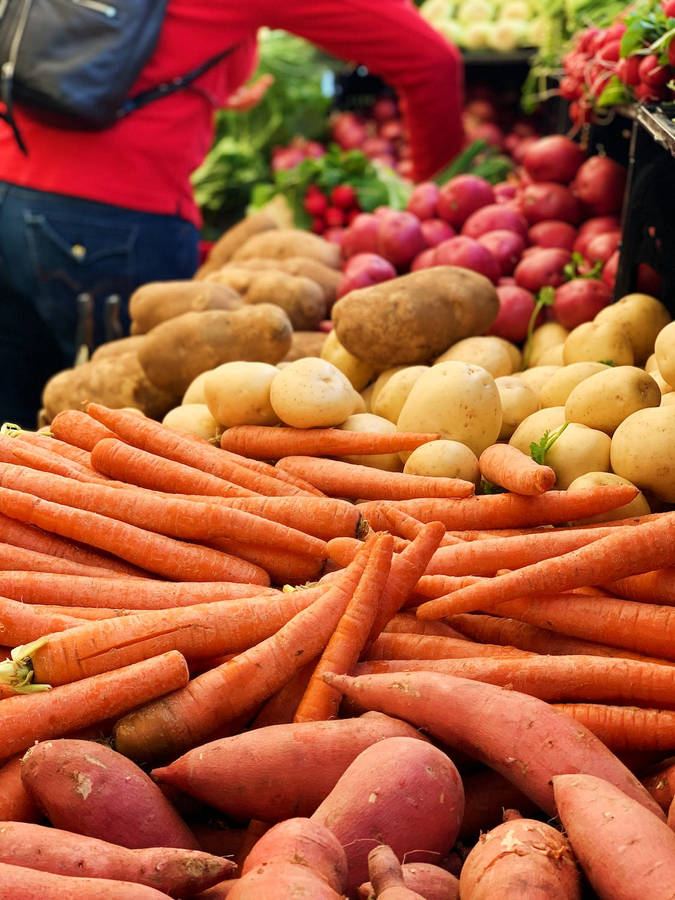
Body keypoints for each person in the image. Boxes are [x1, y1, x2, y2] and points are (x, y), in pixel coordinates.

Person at [0, 0, 464, 428]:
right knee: (118, 446)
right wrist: (436, 199)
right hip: (111, 219)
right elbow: (431, 61)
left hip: (9, 178)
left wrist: (206, 91)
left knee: (17, 439)